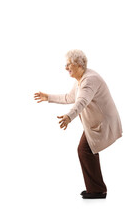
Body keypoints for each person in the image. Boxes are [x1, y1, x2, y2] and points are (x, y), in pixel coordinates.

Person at [34, 49, 122, 199]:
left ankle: (97, 190)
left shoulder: (89, 80)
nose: (65, 68)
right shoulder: (81, 79)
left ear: (79, 64)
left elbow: (82, 102)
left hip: (102, 123)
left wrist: (69, 117)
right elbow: (70, 97)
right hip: (94, 123)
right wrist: (47, 97)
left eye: (68, 64)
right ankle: (96, 188)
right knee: (87, 150)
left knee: (85, 150)